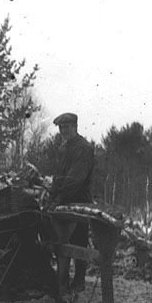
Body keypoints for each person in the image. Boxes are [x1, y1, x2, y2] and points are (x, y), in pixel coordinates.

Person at [49, 112, 95, 292]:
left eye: (67, 127)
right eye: (61, 128)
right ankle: (63, 281)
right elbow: (60, 176)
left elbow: (74, 180)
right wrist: (52, 193)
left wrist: (59, 198)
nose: (64, 131)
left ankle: (79, 280)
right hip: (66, 200)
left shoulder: (82, 148)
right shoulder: (65, 148)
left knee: (78, 241)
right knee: (62, 241)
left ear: (75, 127)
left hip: (79, 201)